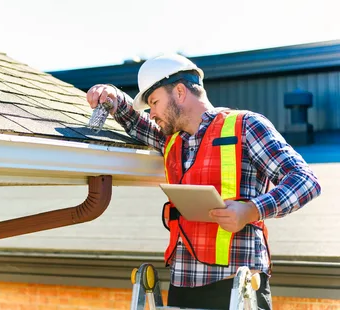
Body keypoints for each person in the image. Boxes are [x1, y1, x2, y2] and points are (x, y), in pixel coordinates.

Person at [86, 54, 321, 309]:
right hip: (183, 283)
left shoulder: (246, 126)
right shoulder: (172, 141)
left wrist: (251, 210)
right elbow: (134, 121)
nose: (151, 113)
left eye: (154, 102)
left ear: (179, 92)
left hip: (236, 285)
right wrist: (111, 96)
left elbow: (305, 180)